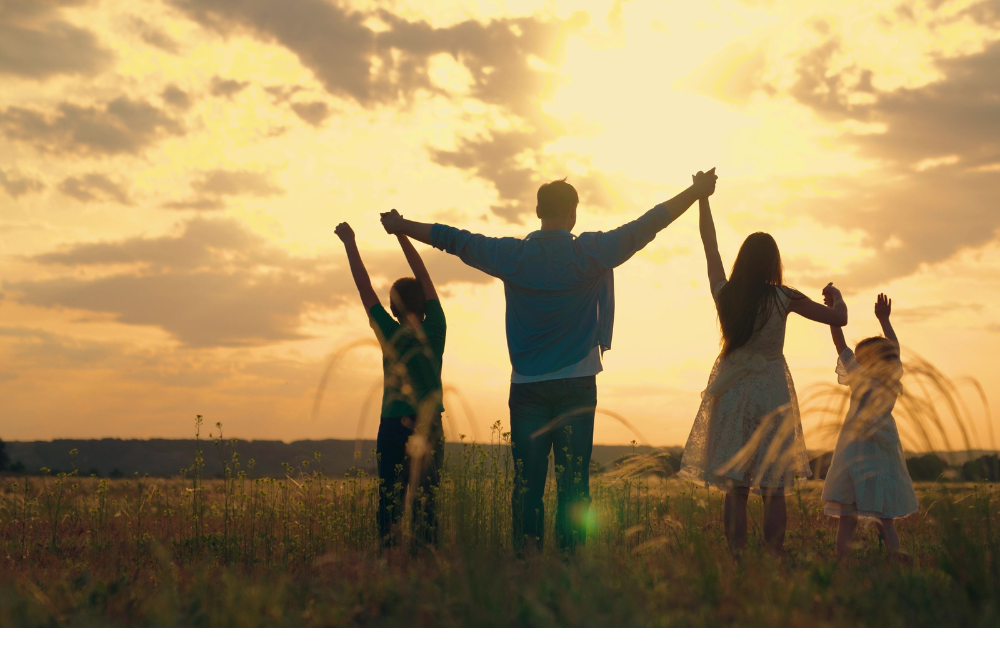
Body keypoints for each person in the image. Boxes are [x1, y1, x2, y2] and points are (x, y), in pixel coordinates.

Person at [380, 169, 719, 552]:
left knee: (527, 487)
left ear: (538, 211)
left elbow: (453, 240)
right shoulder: (591, 252)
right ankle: (570, 566)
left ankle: (527, 562)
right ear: (573, 213)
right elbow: (649, 223)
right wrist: (694, 191)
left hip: (527, 388)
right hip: (577, 385)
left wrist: (401, 225)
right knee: (574, 485)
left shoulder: (512, 256)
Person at [678, 180, 848, 553]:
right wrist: (837, 298)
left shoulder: (724, 292)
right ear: (773, 263)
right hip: (771, 390)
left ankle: (737, 557)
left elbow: (710, 245)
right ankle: (773, 557)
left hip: (734, 387)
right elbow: (838, 318)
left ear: (742, 260)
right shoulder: (784, 296)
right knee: (774, 488)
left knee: (736, 488)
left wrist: (702, 200)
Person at [334, 221, 447, 547]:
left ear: (393, 307)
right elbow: (424, 278)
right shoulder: (436, 328)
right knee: (428, 502)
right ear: (425, 304)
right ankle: (425, 564)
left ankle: (389, 560)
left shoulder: (389, 331)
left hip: (392, 426)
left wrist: (350, 242)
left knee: (390, 502)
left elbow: (364, 288)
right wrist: (401, 233)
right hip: (429, 426)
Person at [821, 293, 918, 558]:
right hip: (883, 447)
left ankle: (842, 562)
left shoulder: (860, 376)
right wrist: (884, 320)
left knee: (847, 515)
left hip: (854, 451)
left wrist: (833, 313)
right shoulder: (892, 376)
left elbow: (840, 343)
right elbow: (894, 348)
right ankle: (894, 559)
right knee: (884, 516)